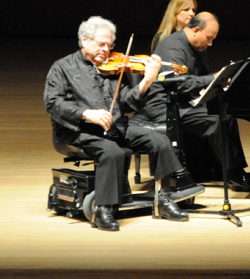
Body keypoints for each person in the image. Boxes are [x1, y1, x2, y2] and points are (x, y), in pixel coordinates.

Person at [44, 16, 189, 231]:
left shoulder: (114, 68)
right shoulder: (63, 67)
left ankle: (165, 199)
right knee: (112, 152)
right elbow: (52, 102)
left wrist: (147, 81)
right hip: (79, 131)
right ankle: (103, 209)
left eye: (110, 45)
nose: (107, 50)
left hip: (115, 127)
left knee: (159, 140)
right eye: (101, 44)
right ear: (85, 40)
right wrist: (86, 113)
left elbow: (129, 103)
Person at [137, 12, 250, 189]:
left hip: (182, 102)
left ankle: (229, 169)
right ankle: (234, 174)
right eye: (209, 38)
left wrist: (218, 80)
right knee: (215, 120)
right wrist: (213, 78)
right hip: (165, 106)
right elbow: (179, 85)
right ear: (196, 30)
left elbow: (203, 75)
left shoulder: (197, 46)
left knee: (226, 112)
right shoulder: (173, 47)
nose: (210, 43)